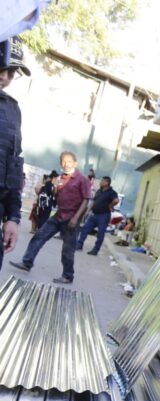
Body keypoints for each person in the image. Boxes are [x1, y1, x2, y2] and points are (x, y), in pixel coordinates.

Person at [10, 151, 90, 283]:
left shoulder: (82, 179)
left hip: (71, 218)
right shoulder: (60, 179)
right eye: (63, 161)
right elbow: (56, 197)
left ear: (75, 163)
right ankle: (27, 262)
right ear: (60, 163)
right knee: (39, 236)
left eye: (69, 162)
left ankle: (67, 276)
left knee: (67, 249)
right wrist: (55, 189)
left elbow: (86, 200)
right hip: (58, 215)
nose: (66, 164)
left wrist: (76, 218)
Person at [0, 37, 29, 270]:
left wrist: (13, 217)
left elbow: (13, 167)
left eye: (10, 72)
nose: (4, 76)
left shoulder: (12, 109)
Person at [76, 175, 118, 255]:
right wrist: (88, 211)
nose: (100, 182)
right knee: (85, 229)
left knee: (100, 233)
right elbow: (94, 201)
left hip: (104, 215)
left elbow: (116, 200)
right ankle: (79, 245)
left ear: (107, 183)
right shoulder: (99, 191)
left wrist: (110, 205)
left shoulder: (112, 192)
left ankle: (95, 250)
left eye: (102, 181)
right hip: (94, 214)